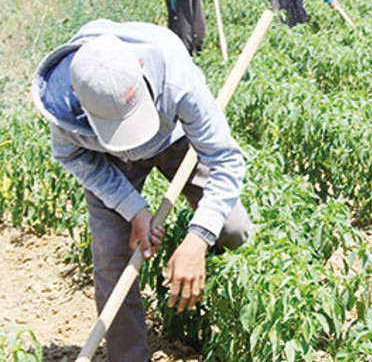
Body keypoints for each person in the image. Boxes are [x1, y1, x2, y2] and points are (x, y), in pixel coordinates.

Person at [31, 20, 253, 362]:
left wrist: (198, 239)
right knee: (111, 257)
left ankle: (231, 318)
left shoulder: (174, 72)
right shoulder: (65, 103)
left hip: (175, 140)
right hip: (109, 159)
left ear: (139, 67)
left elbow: (224, 159)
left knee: (233, 228)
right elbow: (71, 155)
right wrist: (132, 207)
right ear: (78, 97)